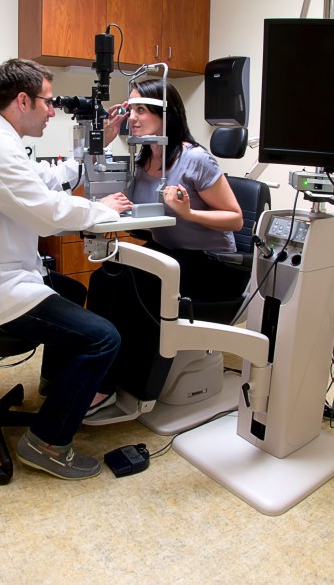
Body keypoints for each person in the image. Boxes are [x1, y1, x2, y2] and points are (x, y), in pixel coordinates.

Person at [0, 58, 132, 480]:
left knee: (70, 291)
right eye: (48, 101)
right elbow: (45, 212)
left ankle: (58, 390)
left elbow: (44, 180)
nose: (53, 110)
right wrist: (98, 209)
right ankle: (47, 442)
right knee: (104, 338)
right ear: (23, 100)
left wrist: (91, 150)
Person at [84, 79, 246, 403]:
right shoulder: (144, 161)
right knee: (104, 278)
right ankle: (96, 373)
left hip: (211, 264)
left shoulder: (195, 159)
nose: (133, 117)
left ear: (166, 114)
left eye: (142, 110)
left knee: (137, 287)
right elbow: (118, 200)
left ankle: (125, 385)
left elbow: (235, 218)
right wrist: (101, 143)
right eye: (130, 110)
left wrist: (189, 213)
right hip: (169, 254)